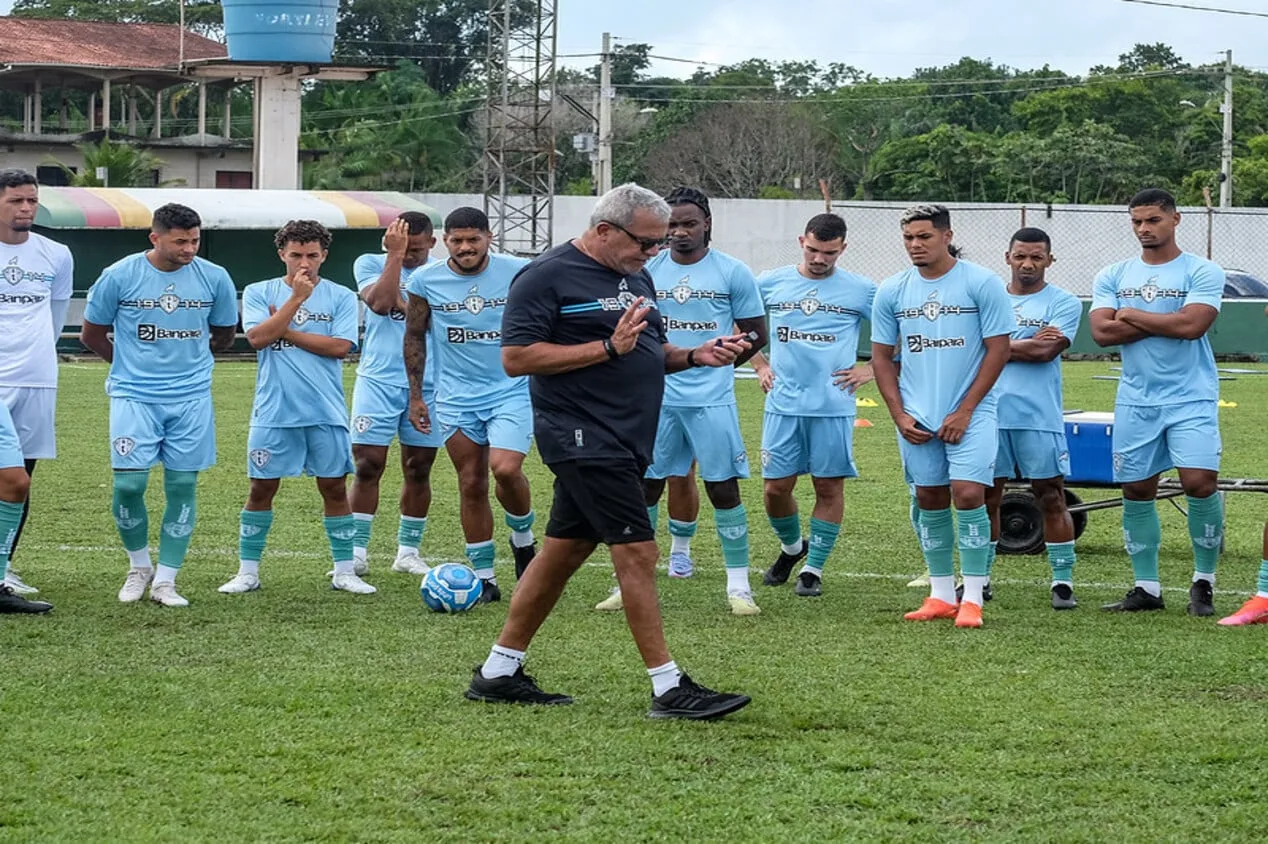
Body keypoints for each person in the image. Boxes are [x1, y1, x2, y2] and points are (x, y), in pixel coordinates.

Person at [463, 182, 751, 720]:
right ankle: (669, 688)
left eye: (659, 244)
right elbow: (517, 357)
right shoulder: (545, 277)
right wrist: (604, 348)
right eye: (645, 243)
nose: (654, 253)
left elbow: (651, 350)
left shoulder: (635, 276)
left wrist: (696, 355)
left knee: (561, 554)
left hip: (626, 435)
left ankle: (497, 672)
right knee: (638, 552)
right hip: (581, 435)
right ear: (603, 231)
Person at [597, 187, 767, 616]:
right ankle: (630, 583)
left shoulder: (733, 272)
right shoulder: (646, 271)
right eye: (672, 225)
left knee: (722, 488)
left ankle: (739, 586)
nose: (679, 232)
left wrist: (727, 359)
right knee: (645, 487)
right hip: (658, 397)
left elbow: (756, 332)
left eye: (688, 223)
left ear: (707, 222)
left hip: (711, 400)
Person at [81, 203, 238, 607]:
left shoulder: (215, 277)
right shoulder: (119, 275)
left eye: (195, 240)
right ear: (155, 238)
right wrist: (129, 368)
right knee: (129, 484)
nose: (190, 249)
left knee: (182, 485)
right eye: (180, 241)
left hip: (191, 398)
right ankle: (139, 567)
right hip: (134, 396)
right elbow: (92, 334)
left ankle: (166, 580)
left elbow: (223, 334)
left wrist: (192, 365)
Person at [871, 204, 1015, 629]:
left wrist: (966, 409)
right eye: (908, 238)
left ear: (947, 235)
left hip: (971, 413)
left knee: (969, 494)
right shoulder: (892, 289)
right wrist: (898, 414)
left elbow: (999, 349)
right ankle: (939, 593)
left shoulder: (981, 282)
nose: (915, 245)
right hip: (917, 415)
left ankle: (972, 596)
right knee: (928, 497)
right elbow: (881, 358)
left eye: (924, 237)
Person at [1090, 188, 1225, 616]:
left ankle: (1203, 582)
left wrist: (1129, 314)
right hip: (1136, 399)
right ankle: (1146, 588)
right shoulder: (1113, 273)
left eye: (1152, 220)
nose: (1144, 229)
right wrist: (1162, 321)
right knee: (1136, 488)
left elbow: (1192, 326)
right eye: (1137, 222)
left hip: (1191, 397)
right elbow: (1101, 334)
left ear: (1175, 219)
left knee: (1199, 483)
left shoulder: (1202, 270)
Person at [218, 220, 369, 595]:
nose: (305, 263)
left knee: (334, 488)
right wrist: (296, 300)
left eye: (312, 255)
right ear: (281, 254)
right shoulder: (258, 291)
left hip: (325, 410)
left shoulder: (341, 296)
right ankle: (247, 572)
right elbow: (255, 338)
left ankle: (344, 571)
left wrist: (282, 328)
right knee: (261, 488)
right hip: (274, 411)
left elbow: (340, 347)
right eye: (296, 255)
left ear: (324, 256)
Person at [405, 208, 535, 600]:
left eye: (473, 240)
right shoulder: (425, 280)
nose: (465, 248)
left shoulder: (519, 271)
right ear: (446, 241)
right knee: (471, 481)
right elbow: (414, 335)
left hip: (511, 389)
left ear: (489, 238)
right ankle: (485, 578)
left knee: (506, 469)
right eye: (457, 240)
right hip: (455, 397)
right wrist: (416, 396)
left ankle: (523, 541)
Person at [750, 212, 876, 597]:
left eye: (830, 253)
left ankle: (813, 569)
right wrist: (759, 363)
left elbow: (899, 332)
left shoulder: (861, 290)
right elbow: (740, 324)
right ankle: (792, 548)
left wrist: (870, 369)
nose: (820, 259)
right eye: (814, 250)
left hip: (833, 406)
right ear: (801, 242)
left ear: (843, 249)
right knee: (775, 488)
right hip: (784, 405)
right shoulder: (770, 283)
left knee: (827, 486)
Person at [982, 228, 1083, 609]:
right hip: (989, 415)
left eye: (1036, 257)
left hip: (1038, 416)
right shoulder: (988, 299)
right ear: (1007, 257)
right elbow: (977, 348)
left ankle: (1062, 583)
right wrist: (1023, 343)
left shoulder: (1064, 302)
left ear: (1049, 260)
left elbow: (1045, 352)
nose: (1027, 264)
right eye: (1020, 256)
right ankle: (981, 579)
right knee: (987, 498)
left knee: (1051, 497)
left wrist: (993, 346)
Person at [348, 212, 440, 577]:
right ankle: (355, 551)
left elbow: (431, 322)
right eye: (406, 249)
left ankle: (408, 551)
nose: (412, 256)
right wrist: (394, 257)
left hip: (429, 383)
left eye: (417, 250)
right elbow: (380, 303)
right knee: (368, 463)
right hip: (378, 380)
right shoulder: (370, 262)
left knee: (419, 467)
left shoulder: (441, 273)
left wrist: (412, 306)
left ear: (433, 243)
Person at [0, 169, 70, 609]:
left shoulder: (57, 255)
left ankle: (4, 567)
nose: (26, 209)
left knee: (21, 478)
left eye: (31, 201)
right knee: (12, 477)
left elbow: (56, 315)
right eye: (16, 201)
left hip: (37, 378)